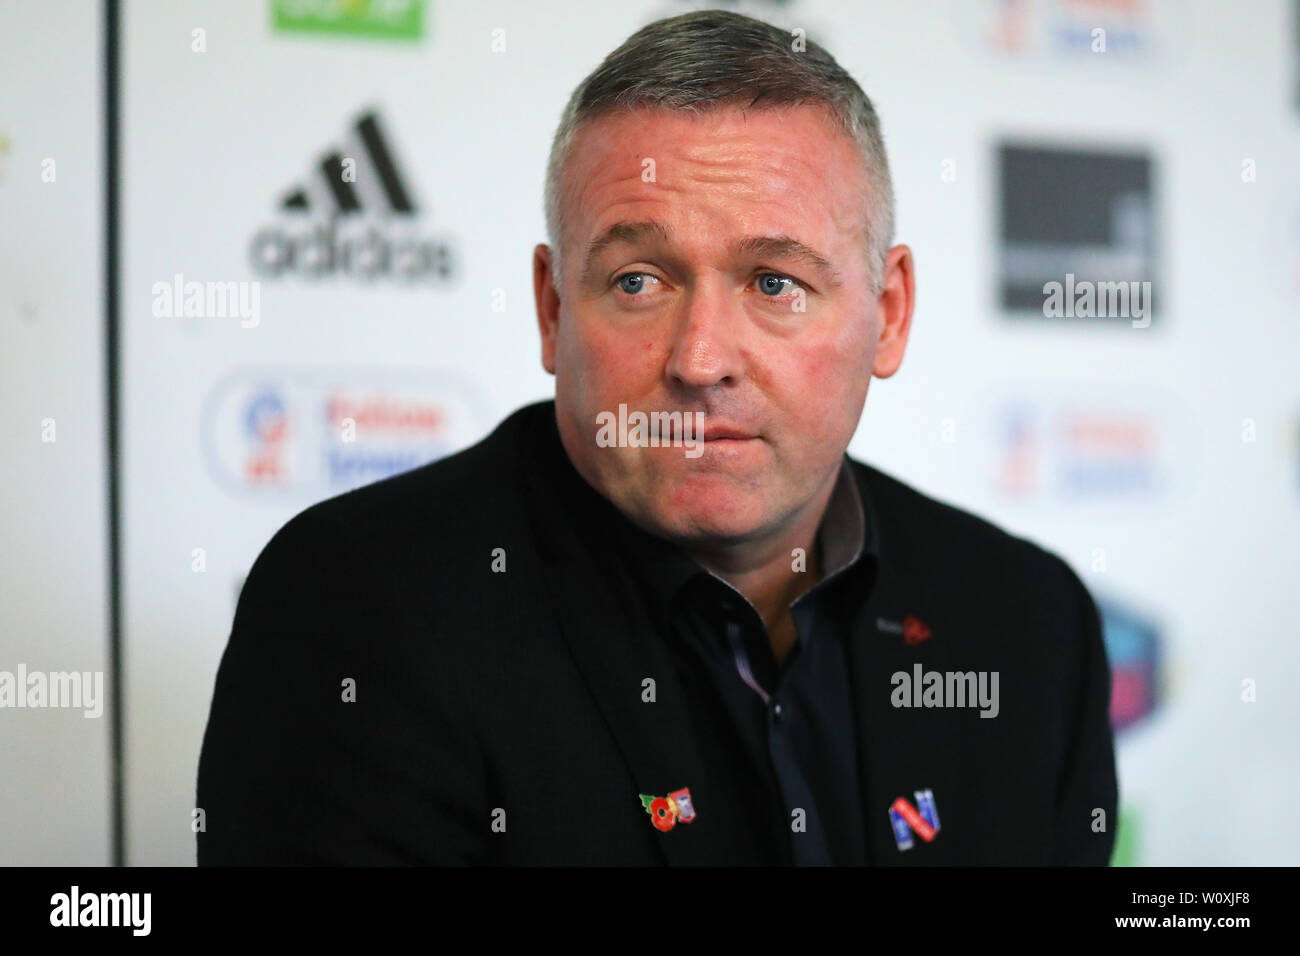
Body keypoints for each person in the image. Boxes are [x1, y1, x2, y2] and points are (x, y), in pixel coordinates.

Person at [197, 9, 1117, 866]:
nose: (701, 359)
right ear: (553, 310)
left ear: (889, 313)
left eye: (775, 282)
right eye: (638, 280)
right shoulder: (363, 607)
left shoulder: (1028, 623)